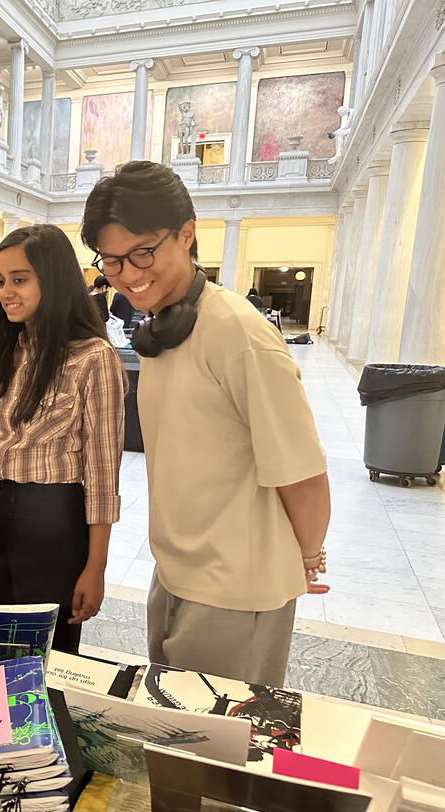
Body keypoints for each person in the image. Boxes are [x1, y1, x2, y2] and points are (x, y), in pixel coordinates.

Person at [82, 161, 330, 687]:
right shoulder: (164, 332)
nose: (126, 273)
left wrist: (305, 556)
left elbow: (303, 473)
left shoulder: (238, 334)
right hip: (176, 573)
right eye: (111, 260)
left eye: (142, 253)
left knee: (217, 757)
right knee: (173, 747)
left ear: (187, 234)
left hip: (235, 590)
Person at [0, 224, 126, 654]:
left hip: (50, 520)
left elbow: (103, 474)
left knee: (45, 652)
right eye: (2, 280)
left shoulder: (92, 358)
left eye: (20, 279)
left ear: (54, 278)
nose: (7, 291)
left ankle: (41, 721)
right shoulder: (4, 348)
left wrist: (96, 566)